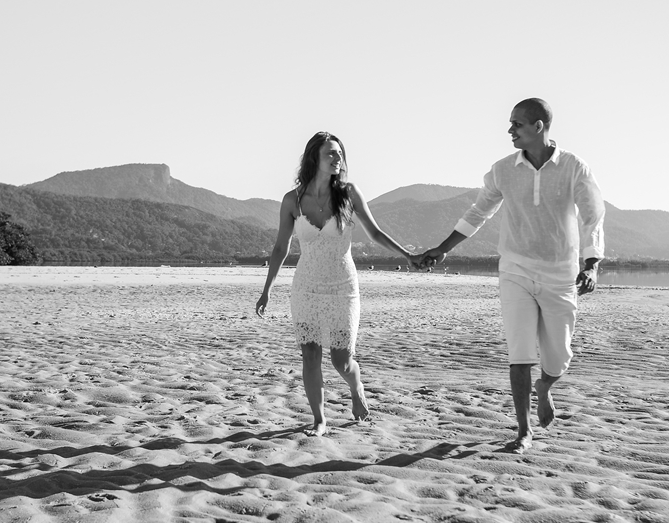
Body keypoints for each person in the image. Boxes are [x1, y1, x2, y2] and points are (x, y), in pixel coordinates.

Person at [420, 98, 605, 452]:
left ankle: (545, 387)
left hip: (560, 274)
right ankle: (523, 430)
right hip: (515, 270)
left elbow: (592, 215)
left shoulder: (573, 167)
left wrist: (591, 263)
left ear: (539, 127)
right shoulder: (503, 169)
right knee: (519, 353)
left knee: (558, 358)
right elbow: (478, 212)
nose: (509, 131)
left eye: (516, 124)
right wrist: (443, 248)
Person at [256, 131, 417, 436]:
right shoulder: (293, 200)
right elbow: (281, 248)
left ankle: (356, 389)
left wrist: (407, 255)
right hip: (305, 287)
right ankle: (319, 420)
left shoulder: (348, 193)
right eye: (331, 153)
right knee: (310, 355)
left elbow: (376, 233)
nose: (337, 158)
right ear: (313, 157)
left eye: (340, 153)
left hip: (343, 287)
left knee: (341, 360)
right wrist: (266, 290)